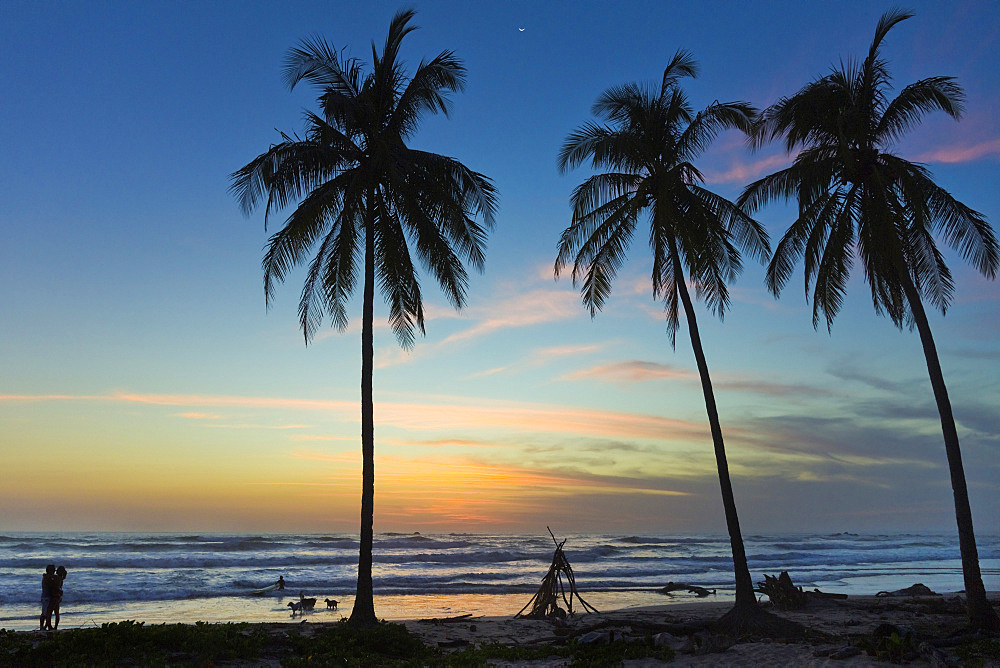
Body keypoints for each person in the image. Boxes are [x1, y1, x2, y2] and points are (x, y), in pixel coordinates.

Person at [39, 564, 55, 630]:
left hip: (48, 596)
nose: (53, 572)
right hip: (46, 597)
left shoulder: (48, 577)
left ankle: (47, 625)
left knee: (48, 612)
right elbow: (51, 585)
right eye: (52, 570)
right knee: (44, 613)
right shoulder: (47, 578)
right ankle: (41, 626)